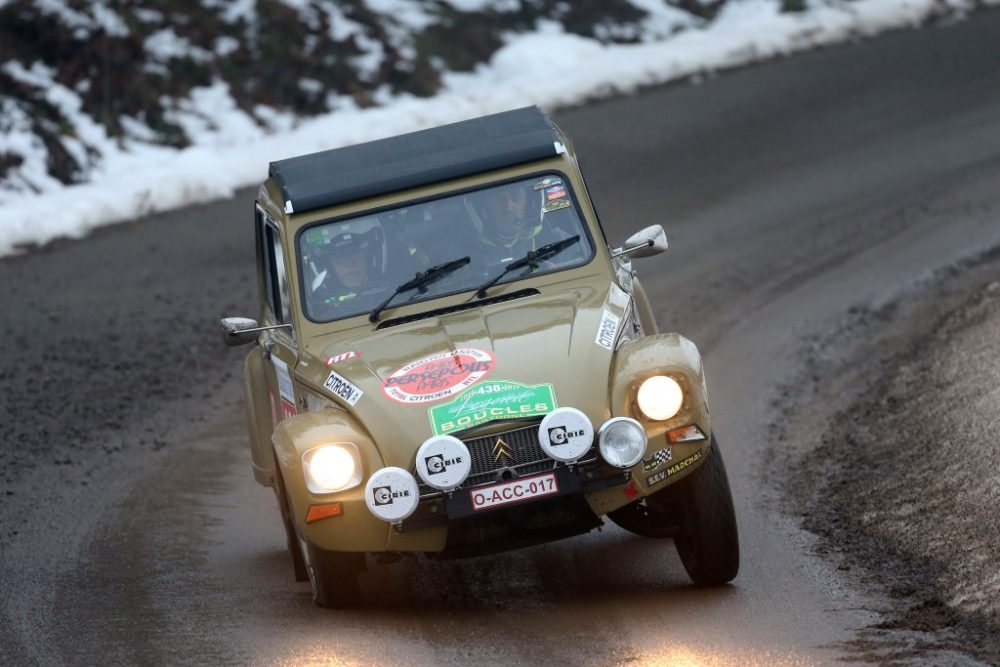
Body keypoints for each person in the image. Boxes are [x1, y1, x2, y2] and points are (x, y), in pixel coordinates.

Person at [307, 219, 387, 319]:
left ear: (370, 255)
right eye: (338, 256)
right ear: (328, 265)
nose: (348, 263)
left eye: (354, 252)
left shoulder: (399, 290)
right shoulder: (316, 313)